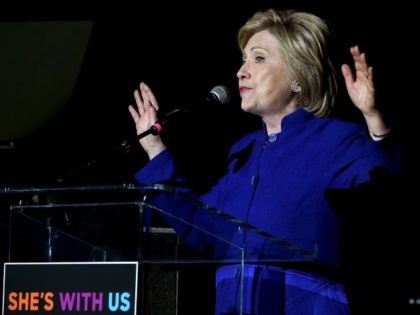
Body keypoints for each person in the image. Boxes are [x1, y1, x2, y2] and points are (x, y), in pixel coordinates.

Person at [128, 8, 399, 315]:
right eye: (243, 59)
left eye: (258, 58)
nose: (241, 71)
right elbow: (202, 229)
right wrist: (154, 148)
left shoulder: (335, 139)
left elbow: (385, 186)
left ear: (298, 76)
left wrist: (374, 119)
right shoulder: (243, 152)